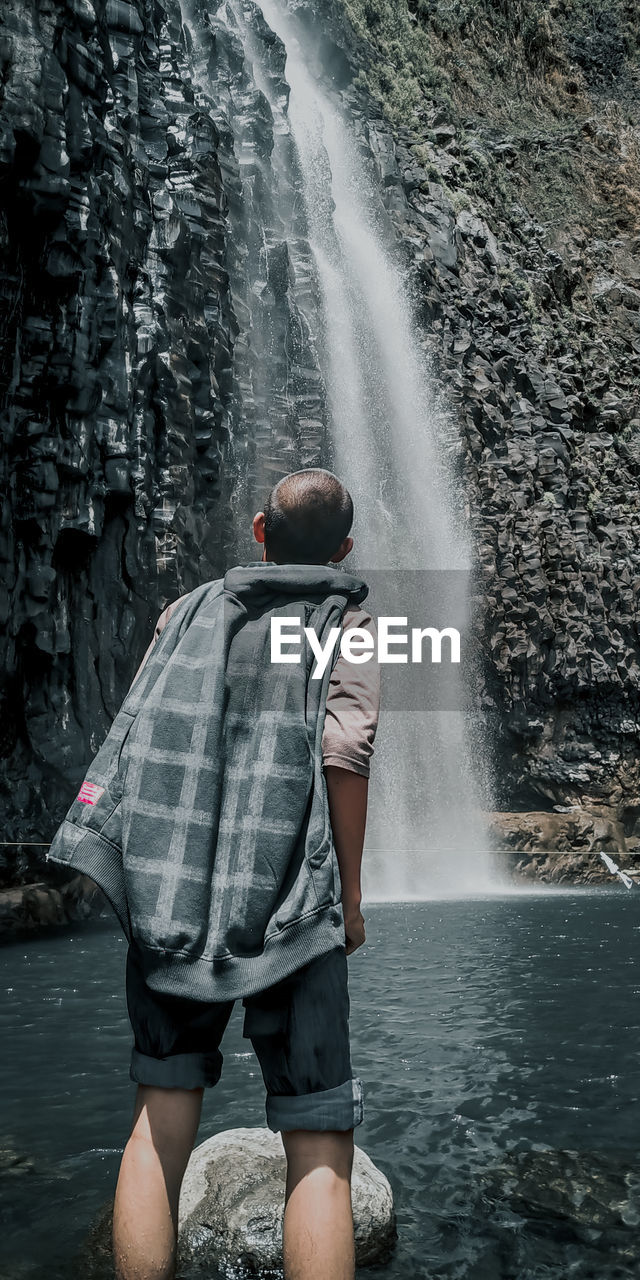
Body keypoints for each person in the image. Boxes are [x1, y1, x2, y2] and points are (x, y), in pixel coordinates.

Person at [81, 469, 379, 1280]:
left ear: (258, 530)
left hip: (174, 886)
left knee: (161, 1117)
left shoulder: (185, 612)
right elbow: (345, 757)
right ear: (345, 549)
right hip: (292, 898)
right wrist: (349, 899)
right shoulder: (346, 621)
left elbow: (145, 730)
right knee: (319, 1141)